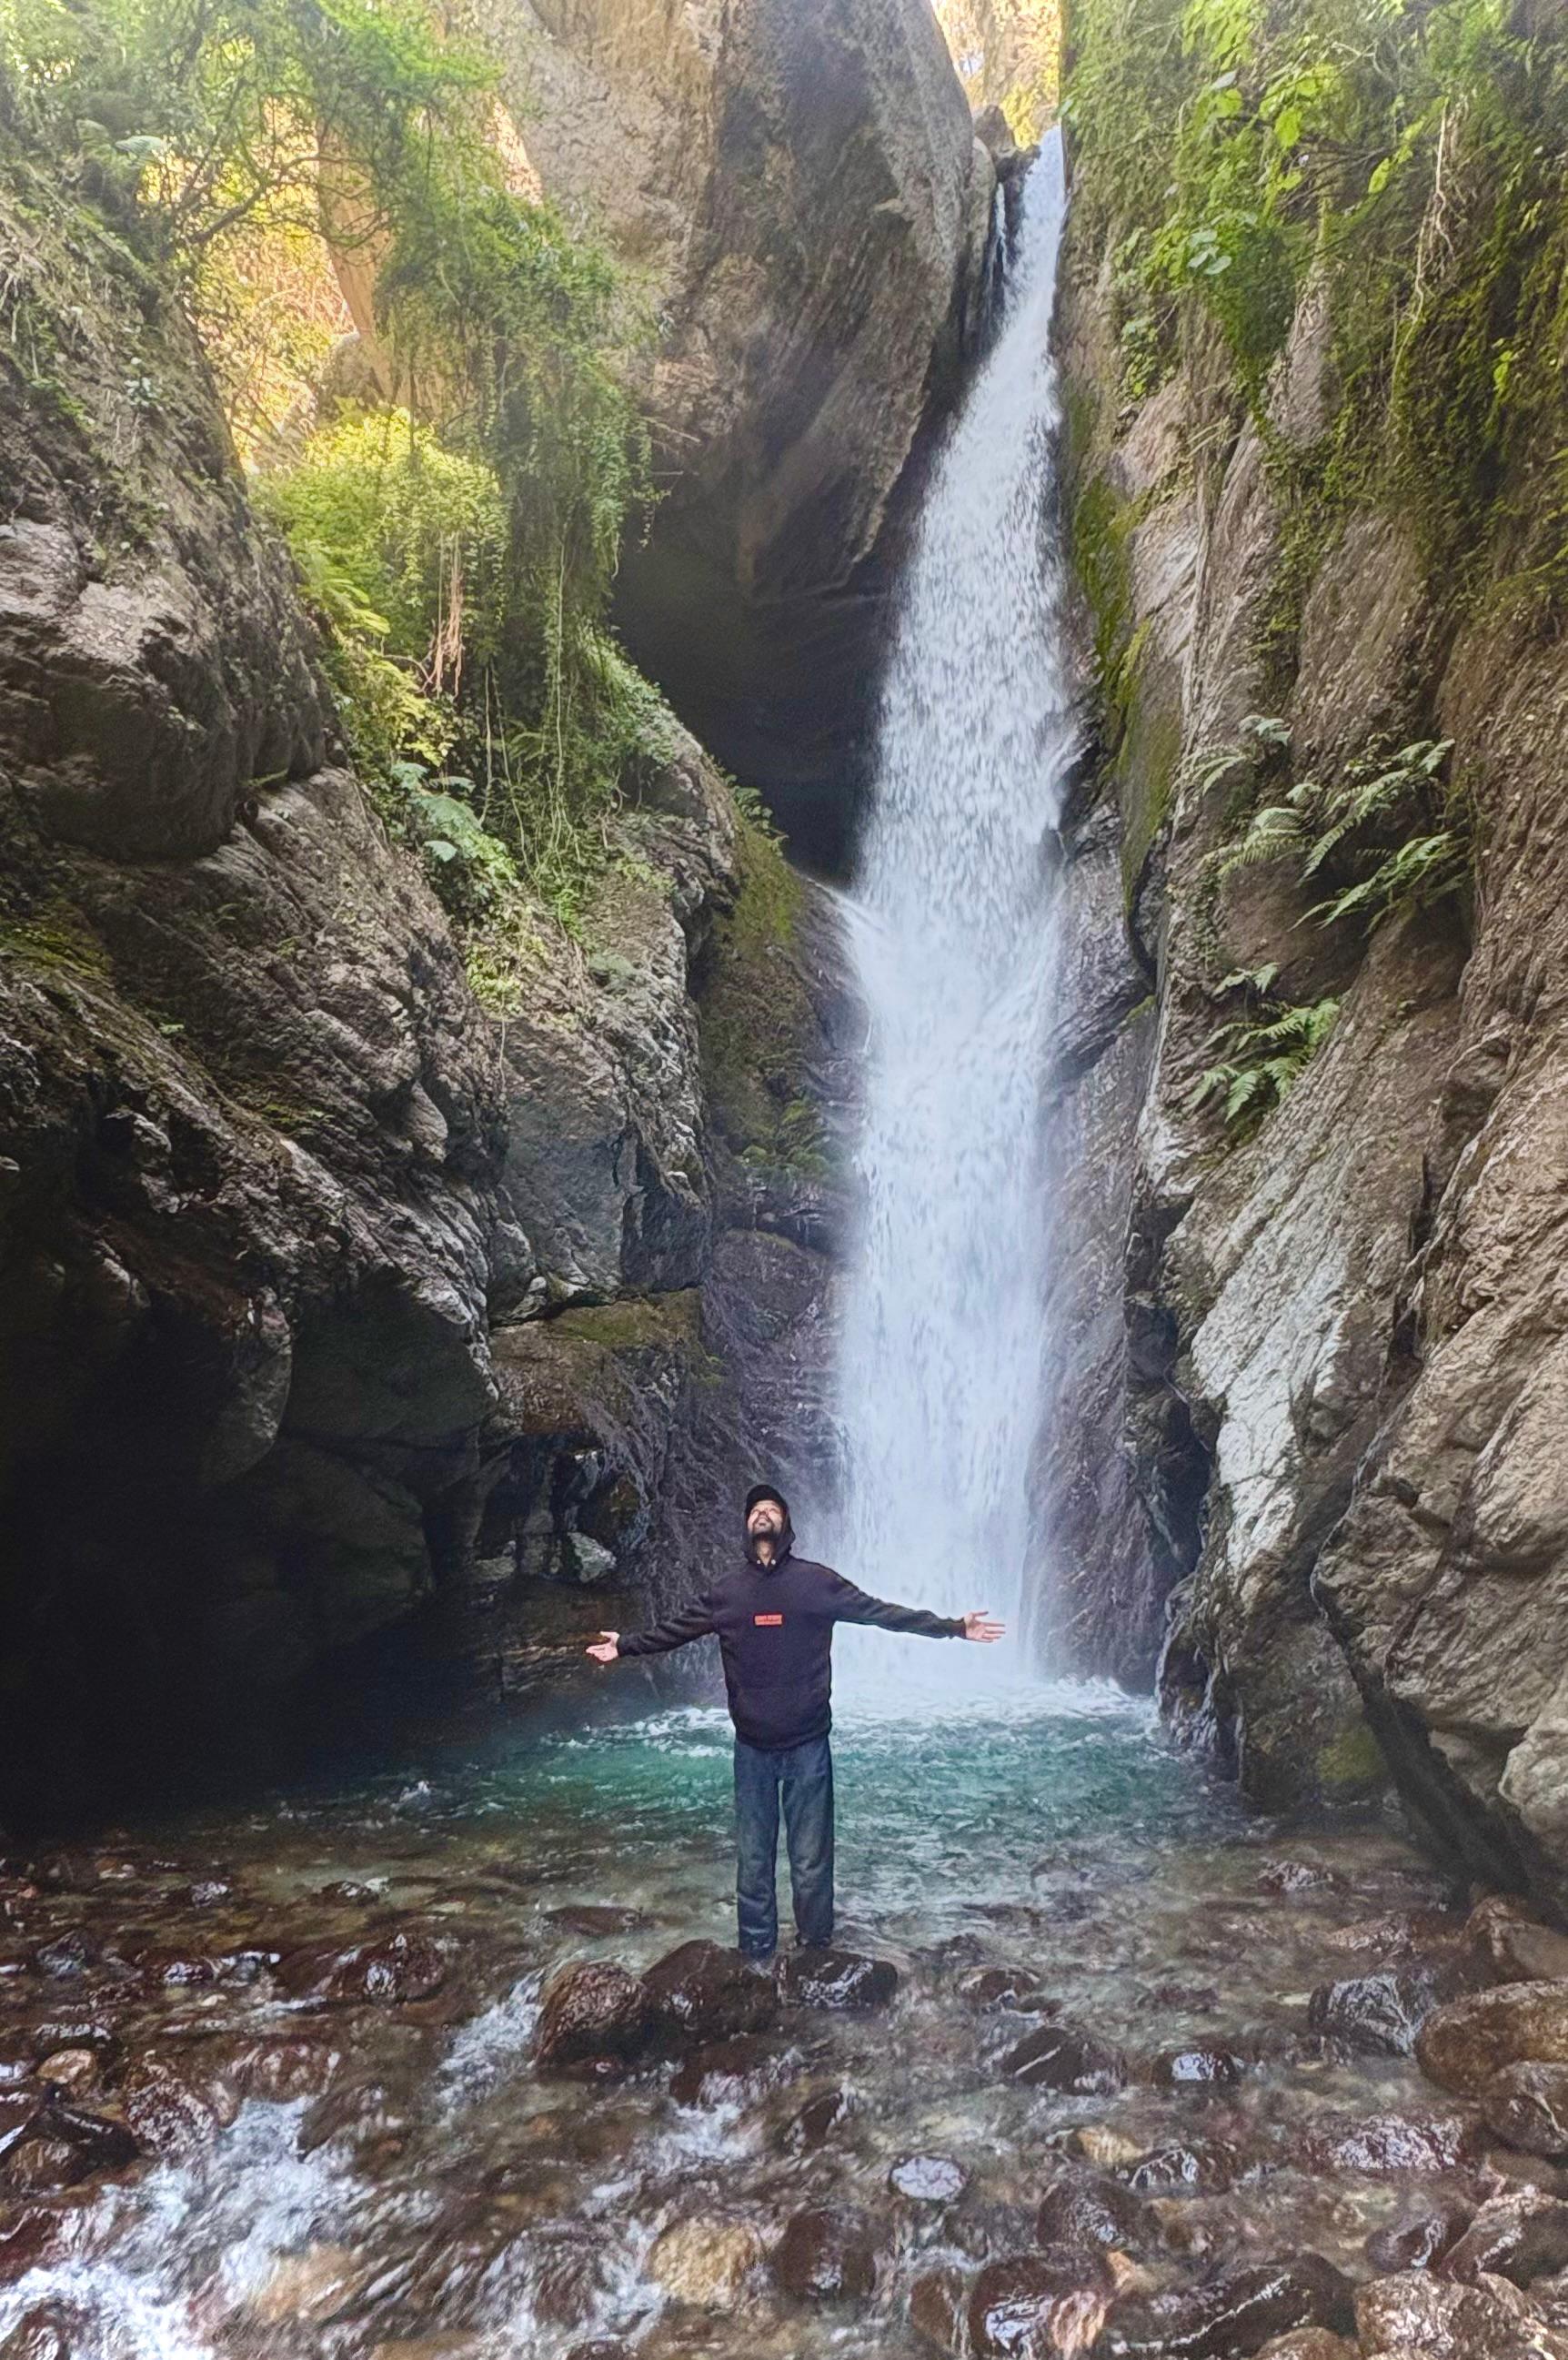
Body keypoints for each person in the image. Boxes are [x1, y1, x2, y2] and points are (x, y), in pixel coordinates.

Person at [585, 1483, 1004, 1959]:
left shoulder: (816, 1584)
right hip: (753, 1749)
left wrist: (952, 1628)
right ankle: (756, 1956)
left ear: (785, 1525)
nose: (762, 1514)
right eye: (755, 1511)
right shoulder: (728, 1593)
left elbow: (881, 1613)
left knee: (810, 1859)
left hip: (808, 1745)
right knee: (753, 1860)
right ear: (746, 1526)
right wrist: (625, 1645)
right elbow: (673, 1632)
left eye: (772, 1509)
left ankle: (815, 1949)